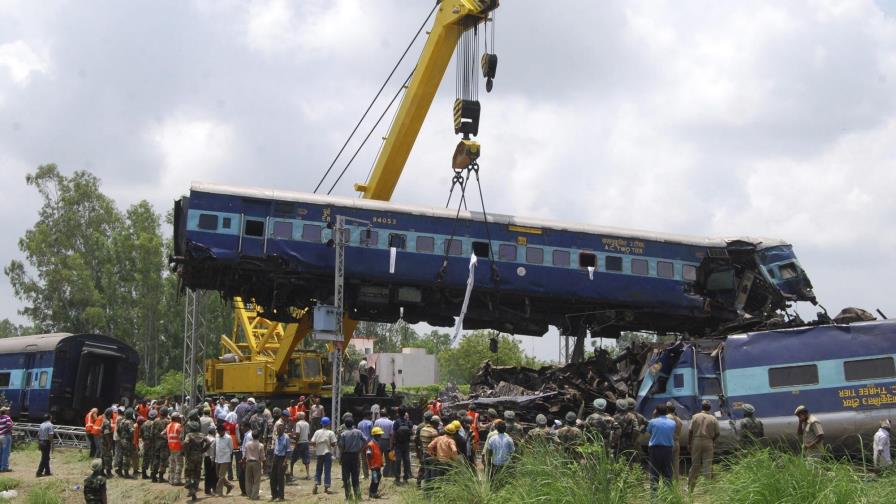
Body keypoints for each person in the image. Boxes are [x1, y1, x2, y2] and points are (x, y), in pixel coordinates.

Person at [688, 400, 719, 492]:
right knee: (707, 465)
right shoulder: (713, 418)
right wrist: (712, 440)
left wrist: (689, 443)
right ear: (709, 408)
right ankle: (707, 489)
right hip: (708, 441)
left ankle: (690, 488)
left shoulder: (695, 417)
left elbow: (690, 431)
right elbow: (718, 433)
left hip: (696, 441)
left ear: (702, 407)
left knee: (695, 465)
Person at [646, 404, 676, 488]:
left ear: (656, 411)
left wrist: (653, 416)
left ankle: (654, 496)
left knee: (654, 473)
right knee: (667, 473)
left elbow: (649, 431)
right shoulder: (672, 423)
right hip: (668, 450)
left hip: (655, 450)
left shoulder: (652, 422)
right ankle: (668, 495)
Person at [182, 413, 210, 501]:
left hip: (190, 457)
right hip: (199, 456)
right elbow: (209, 442)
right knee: (197, 474)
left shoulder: (189, 435)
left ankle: (191, 489)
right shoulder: (202, 435)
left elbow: (186, 443)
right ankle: (194, 491)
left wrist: (186, 451)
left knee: (188, 473)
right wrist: (203, 450)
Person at [338, 417, 365, 501]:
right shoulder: (358, 432)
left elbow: (341, 446)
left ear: (345, 425)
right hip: (356, 455)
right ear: (353, 424)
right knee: (355, 476)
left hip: (346, 456)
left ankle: (349, 497)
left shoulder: (343, 434)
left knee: (346, 477)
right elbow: (365, 441)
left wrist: (341, 457)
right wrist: (360, 450)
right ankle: (358, 496)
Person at [311, 416, 336, 495]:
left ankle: (316, 484)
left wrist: (317, 446)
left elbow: (313, 442)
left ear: (322, 424)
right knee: (327, 470)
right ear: (328, 424)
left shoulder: (317, 432)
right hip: (327, 453)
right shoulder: (330, 433)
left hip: (319, 453)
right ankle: (326, 488)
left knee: (318, 470)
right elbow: (333, 444)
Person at [414, 412, 438, 488]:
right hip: (430, 451)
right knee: (429, 469)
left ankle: (419, 483)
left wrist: (417, 451)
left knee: (423, 466)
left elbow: (416, 439)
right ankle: (428, 486)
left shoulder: (420, 426)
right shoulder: (433, 429)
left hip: (422, 449)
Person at [391, 406, 414, 484]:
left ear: (398, 413)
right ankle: (406, 478)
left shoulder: (396, 422)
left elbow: (393, 434)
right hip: (406, 444)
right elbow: (412, 432)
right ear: (405, 413)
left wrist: (392, 444)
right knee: (406, 461)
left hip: (398, 444)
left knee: (398, 461)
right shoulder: (408, 422)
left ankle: (397, 479)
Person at [270, 414, 290, 501]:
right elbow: (276, 449)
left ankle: (281, 496)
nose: (277, 430)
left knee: (280, 478)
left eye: (279, 429)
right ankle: (274, 495)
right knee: (272, 477)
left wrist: (285, 461)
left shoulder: (286, 438)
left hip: (282, 458)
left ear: (283, 429)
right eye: (277, 429)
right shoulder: (277, 437)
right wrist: (273, 458)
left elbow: (288, 451)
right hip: (276, 457)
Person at [242, 429, 265, 500]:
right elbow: (262, 457)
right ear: (259, 436)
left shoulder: (247, 444)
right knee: (256, 480)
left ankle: (249, 494)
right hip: (256, 463)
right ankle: (254, 495)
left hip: (248, 462)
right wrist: (264, 465)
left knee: (248, 479)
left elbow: (244, 455)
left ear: (252, 436)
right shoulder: (261, 445)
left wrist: (243, 463)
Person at [214, 424, 235, 496]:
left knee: (221, 476)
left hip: (225, 459)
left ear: (224, 431)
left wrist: (227, 454)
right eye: (218, 431)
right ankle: (230, 486)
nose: (219, 433)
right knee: (218, 475)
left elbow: (231, 448)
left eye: (220, 432)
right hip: (217, 458)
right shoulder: (216, 436)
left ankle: (219, 492)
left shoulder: (228, 438)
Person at [165, 412, 184, 485]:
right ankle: (177, 480)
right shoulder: (179, 426)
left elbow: (162, 433)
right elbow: (181, 437)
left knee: (172, 464)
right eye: (179, 417)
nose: (180, 418)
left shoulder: (168, 426)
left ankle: (171, 480)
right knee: (179, 464)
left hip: (170, 447)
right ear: (176, 418)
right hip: (178, 446)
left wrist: (169, 439)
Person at [115, 409, 135, 478]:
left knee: (120, 456)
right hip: (127, 441)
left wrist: (121, 437)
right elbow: (131, 431)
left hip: (121, 440)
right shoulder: (130, 422)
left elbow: (117, 430)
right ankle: (126, 473)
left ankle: (119, 471)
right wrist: (131, 439)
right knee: (127, 456)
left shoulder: (121, 421)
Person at [666, 401, 683, 479]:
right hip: (676, 442)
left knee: (667, 462)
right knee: (676, 463)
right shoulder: (679, 419)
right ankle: (676, 480)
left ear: (667, 409)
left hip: (669, 442)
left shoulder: (666, 418)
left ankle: (668, 481)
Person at [373, 409, 393, 477]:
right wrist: (390, 445)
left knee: (378, 458)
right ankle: (385, 474)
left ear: (380, 415)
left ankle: (377, 472)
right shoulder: (390, 422)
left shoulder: (377, 421)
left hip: (378, 440)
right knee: (388, 460)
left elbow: (374, 433)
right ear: (387, 414)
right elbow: (391, 435)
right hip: (387, 441)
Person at [291, 411, 311, 480]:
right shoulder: (307, 424)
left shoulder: (298, 424)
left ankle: (291, 473)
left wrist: (295, 441)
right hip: (306, 442)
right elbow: (308, 434)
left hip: (299, 443)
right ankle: (308, 474)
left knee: (293, 458)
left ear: (299, 417)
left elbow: (298, 434)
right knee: (306, 459)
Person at [153, 407, 171, 482]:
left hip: (157, 443)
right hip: (164, 443)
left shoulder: (155, 421)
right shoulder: (168, 422)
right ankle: (161, 476)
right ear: (166, 413)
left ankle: (154, 475)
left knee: (156, 459)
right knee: (163, 460)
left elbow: (152, 432)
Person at [366, 426, 385, 499]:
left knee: (378, 477)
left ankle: (374, 492)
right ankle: (372, 493)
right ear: (375, 435)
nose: (380, 436)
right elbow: (368, 455)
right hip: (374, 466)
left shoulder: (377, 443)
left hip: (378, 465)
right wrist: (371, 465)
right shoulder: (370, 444)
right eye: (379, 435)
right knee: (375, 479)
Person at [357, 411, 373, 480]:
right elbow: (372, 433)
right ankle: (373, 475)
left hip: (362, 444)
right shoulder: (370, 423)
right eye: (370, 415)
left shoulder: (359, 423)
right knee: (371, 459)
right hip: (369, 443)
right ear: (368, 416)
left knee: (364, 460)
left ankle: (366, 475)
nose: (371, 417)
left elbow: (358, 434)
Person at [141, 409, 157, 480]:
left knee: (145, 457)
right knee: (153, 458)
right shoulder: (154, 423)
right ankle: (152, 474)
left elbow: (141, 433)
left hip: (146, 442)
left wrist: (144, 440)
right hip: (152, 442)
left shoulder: (144, 423)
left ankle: (143, 474)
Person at [204, 424, 218, 496]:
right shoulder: (214, 440)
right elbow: (212, 451)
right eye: (215, 430)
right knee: (213, 475)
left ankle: (207, 490)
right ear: (213, 431)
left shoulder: (206, 438)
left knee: (207, 474)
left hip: (206, 458)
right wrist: (213, 460)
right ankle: (214, 489)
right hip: (211, 458)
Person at [100, 408, 115, 478]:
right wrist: (109, 443)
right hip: (106, 442)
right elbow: (106, 433)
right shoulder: (106, 422)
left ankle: (101, 471)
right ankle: (108, 472)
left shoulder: (106, 420)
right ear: (109, 413)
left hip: (104, 442)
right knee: (108, 457)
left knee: (103, 457)